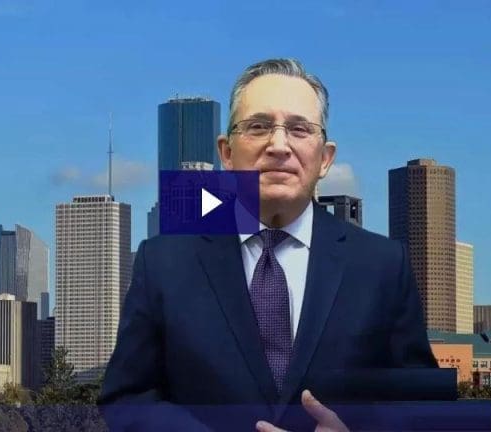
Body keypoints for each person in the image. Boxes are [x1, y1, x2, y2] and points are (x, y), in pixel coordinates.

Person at [99, 58, 441, 431]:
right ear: (226, 152)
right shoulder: (163, 263)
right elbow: (127, 399)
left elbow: (421, 408)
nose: (279, 145)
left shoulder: (383, 266)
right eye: (259, 127)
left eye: (299, 129)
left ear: (325, 158)